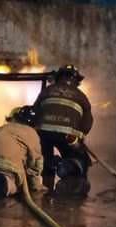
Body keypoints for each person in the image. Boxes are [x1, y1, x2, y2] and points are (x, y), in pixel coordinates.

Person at [33, 65, 94, 195]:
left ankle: (49, 167)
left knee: (45, 158)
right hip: (68, 135)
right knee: (79, 158)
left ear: (57, 78)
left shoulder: (47, 90)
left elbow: (35, 111)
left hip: (43, 132)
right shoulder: (81, 96)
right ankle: (68, 167)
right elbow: (87, 122)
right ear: (76, 81)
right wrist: (79, 138)